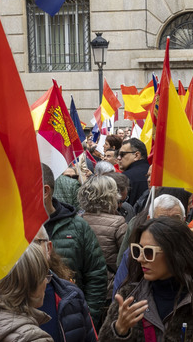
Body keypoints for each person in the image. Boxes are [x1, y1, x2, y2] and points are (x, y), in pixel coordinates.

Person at [43, 163, 109, 326]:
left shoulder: (78, 226)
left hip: (69, 321)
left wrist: (86, 318)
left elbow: (96, 275)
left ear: (45, 191)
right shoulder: (14, 228)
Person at [79, 174, 129, 280]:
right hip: (109, 283)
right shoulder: (118, 223)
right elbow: (127, 258)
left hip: (82, 282)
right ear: (111, 195)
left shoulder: (77, 220)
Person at [119, 138, 151, 207]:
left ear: (136, 155)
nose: (119, 158)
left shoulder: (124, 177)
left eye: (122, 154)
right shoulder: (156, 174)